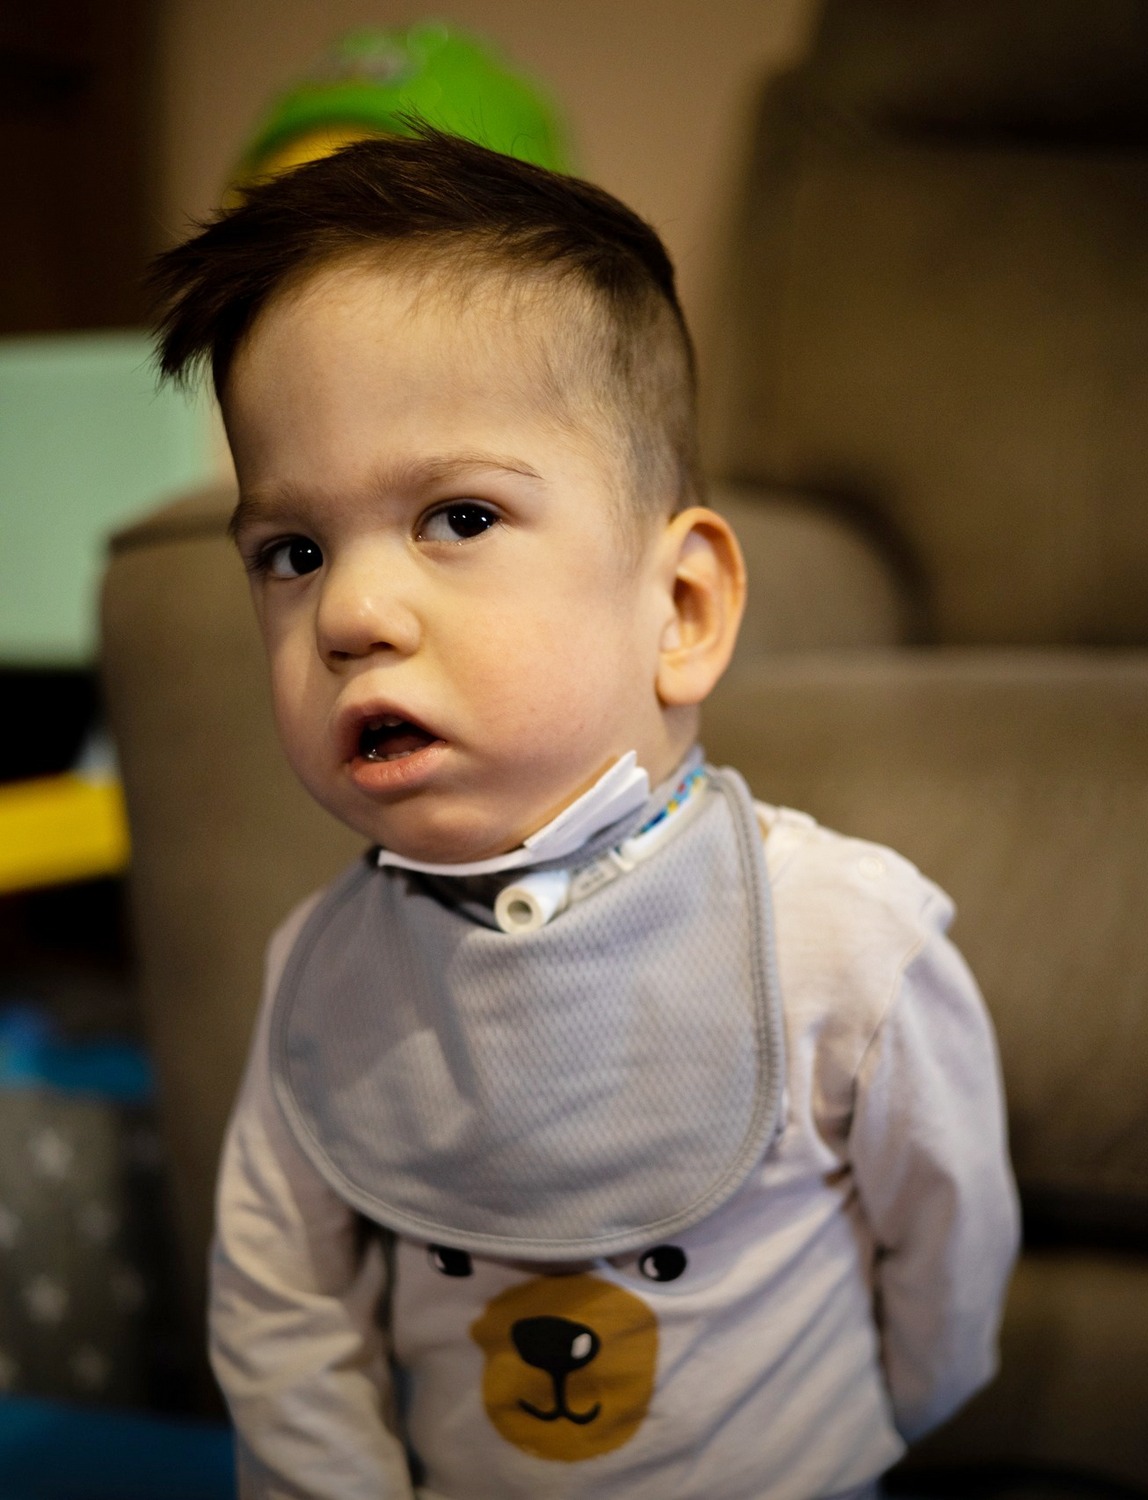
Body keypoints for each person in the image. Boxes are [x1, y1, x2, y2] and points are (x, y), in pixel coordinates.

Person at [150, 124, 1019, 1500]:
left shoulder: (841, 940)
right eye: (293, 552)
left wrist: (879, 1429)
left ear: (681, 608)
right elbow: (282, 1306)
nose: (349, 613)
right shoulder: (324, 974)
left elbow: (950, 1245)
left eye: (457, 518)